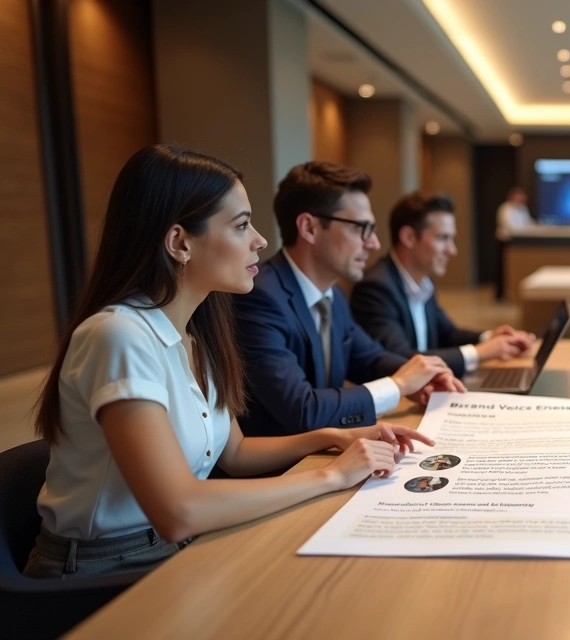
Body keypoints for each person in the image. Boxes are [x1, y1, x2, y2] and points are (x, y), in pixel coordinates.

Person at [24, 145, 435, 579]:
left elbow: (235, 453)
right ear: (180, 242)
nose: (259, 239)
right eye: (241, 225)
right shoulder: (118, 335)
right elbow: (178, 510)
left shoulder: (195, 332)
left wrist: (333, 437)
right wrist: (330, 476)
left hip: (171, 545)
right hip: (104, 567)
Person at [233, 162, 464, 437]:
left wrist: (421, 376)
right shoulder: (260, 297)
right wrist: (399, 384)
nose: (374, 244)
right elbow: (302, 410)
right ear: (309, 228)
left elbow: (368, 357)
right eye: (360, 229)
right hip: (279, 472)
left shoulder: (334, 294)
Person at [351, 191, 534, 377]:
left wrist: (489, 338)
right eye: (443, 238)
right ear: (409, 237)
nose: (452, 250)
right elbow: (400, 358)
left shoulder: (422, 280)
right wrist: (481, 352)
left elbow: (446, 334)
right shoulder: (376, 288)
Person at [495, 186, 532, 300]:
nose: (521, 200)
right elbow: (510, 227)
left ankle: (509, 293)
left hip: (516, 244)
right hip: (505, 243)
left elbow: (528, 223)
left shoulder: (522, 209)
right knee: (503, 269)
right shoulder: (505, 209)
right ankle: (501, 294)